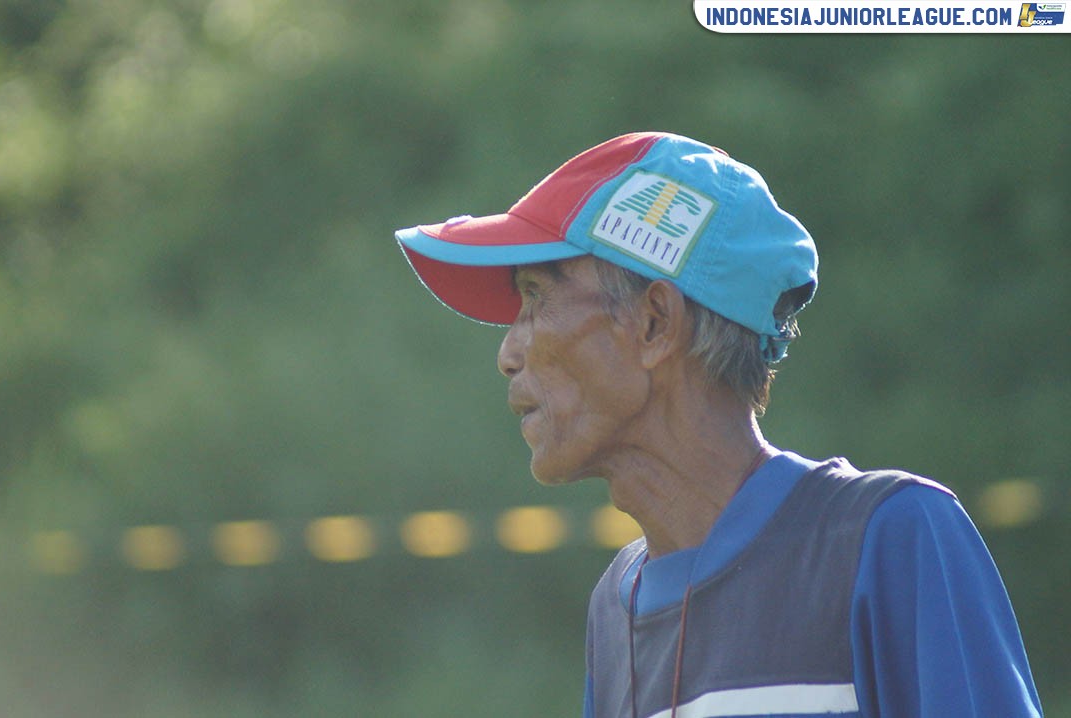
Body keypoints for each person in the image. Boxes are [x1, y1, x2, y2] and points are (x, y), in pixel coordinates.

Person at [393, 132, 1043, 718]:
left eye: (535, 298)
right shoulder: (615, 607)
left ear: (654, 322)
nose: (508, 353)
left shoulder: (887, 536)